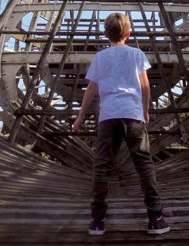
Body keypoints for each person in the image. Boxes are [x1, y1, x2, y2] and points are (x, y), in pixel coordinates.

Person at [72, 12, 170, 236]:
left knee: (102, 165)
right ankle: (156, 218)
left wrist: (80, 117)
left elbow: (91, 90)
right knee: (144, 164)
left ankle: (97, 220)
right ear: (129, 33)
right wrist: (145, 111)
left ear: (105, 34)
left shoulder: (100, 57)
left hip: (108, 116)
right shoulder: (136, 54)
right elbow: (145, 87)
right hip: (133, 114)